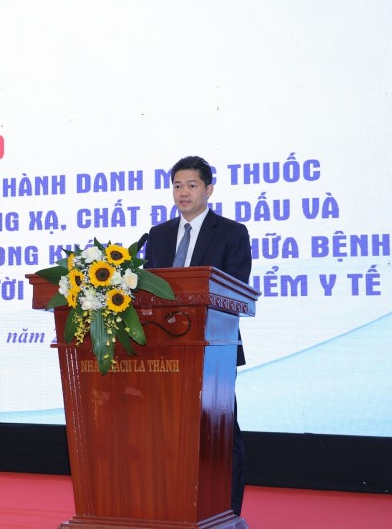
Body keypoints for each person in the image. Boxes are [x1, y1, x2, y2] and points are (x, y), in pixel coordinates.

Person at [143, 155, 251, 517]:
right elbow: (146, 291)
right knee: (167, 434)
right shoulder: (157, 235)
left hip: (213, 349)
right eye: (177, 186)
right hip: (164, 349)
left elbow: (237, 291)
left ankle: (227, 513)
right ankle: (173, 508)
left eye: (191, 185)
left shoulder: (232, 233)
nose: (183, 192)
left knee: (221, 435)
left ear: (209, 189)